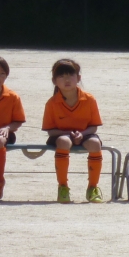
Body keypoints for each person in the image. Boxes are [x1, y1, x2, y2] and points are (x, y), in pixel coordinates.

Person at [42, 58, 105, 204]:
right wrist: (68, 133)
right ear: (54, 81)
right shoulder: (52, 103)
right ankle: (63, 187)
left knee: (95, 144)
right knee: (64, 142)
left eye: (71, 75)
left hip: (85, 133)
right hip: (61, 135)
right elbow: (51, 131)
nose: (67, 80)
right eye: (61, 76)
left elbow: (94, 127)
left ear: (78, 78)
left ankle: (93, 187)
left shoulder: (89, 99)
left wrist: (81, 134)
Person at [0, 55, 26, 202]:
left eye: (2, 73)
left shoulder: (12, 96)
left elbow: (18, 121)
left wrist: (7, 128)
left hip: (4, 133)